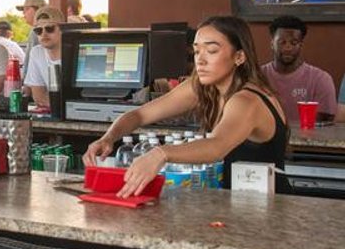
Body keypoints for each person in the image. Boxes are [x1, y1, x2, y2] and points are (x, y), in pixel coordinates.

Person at [84, 15, 290, 196]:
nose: (200, 60)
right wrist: (108, 138)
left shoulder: (247, 101)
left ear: (239, 57)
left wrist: (160, 154)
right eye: (196, 51)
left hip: (269, 206)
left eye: (211, 51)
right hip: (235, 201)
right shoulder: (202, 87)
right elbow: (139, 115)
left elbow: (217, 146)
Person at [260, 15, 337, 125]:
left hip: (308, 141)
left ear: (301, 45)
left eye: (294, 43)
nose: (288, 48)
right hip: (267, 140)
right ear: (272, 44)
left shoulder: (320, 79)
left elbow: (326, 123)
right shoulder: (258, 76)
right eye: (282, 42)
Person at [23, 6, 65, 109]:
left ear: (62, 29)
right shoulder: (37, 52)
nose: (44, 33)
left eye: (49, 28)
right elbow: (39, 97)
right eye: (38, 30)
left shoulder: (76, 50)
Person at [15, 0, 46, 73]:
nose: (23, 13)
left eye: (26, 9)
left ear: (38, 10)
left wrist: (25, 82)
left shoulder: (36, 31)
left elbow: (30, 63)